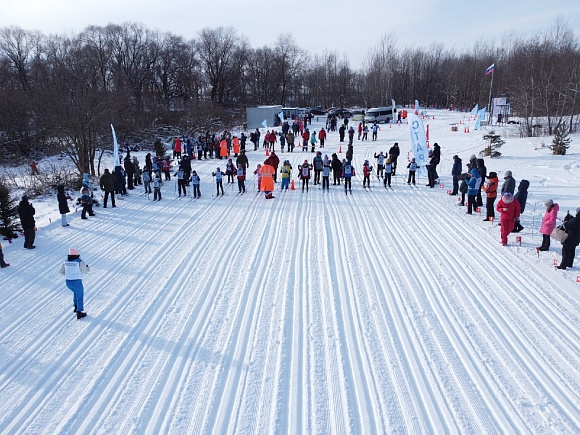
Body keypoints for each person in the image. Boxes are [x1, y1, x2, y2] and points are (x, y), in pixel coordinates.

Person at [59, 247, 89, 319]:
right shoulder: (80, 262)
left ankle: (75, 306)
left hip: (68, 282)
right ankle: (79, 312)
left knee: (75, 293)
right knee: (80, 296)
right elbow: (86, 271)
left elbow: (61, 271)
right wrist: (87, 267)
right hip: (76, 281)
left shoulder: (65, 262)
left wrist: (68, 275)